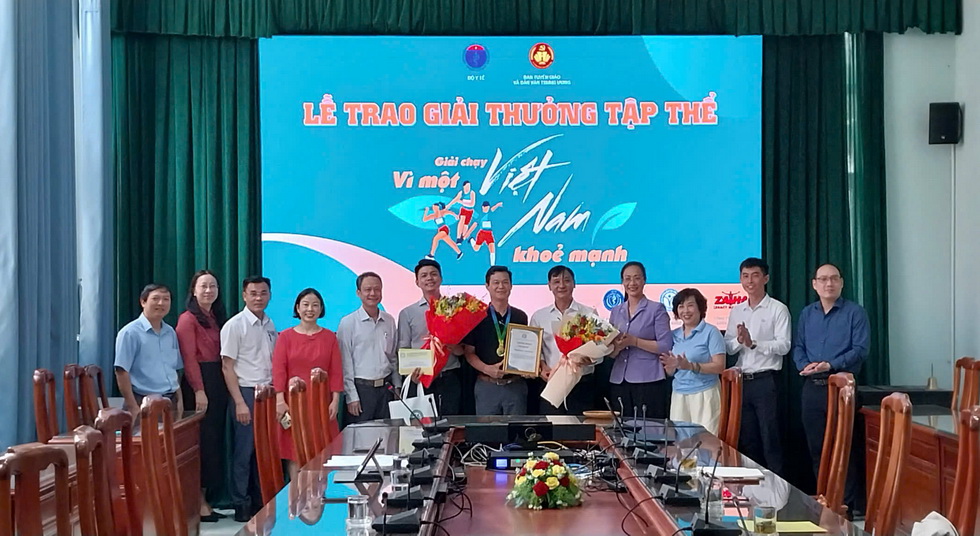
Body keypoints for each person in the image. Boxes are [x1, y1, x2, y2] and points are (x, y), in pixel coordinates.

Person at [794, 263, 869, 513]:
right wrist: (804, 365)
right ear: (814, 284)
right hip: (812, 388)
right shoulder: (807, 314)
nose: (829, 284)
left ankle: (846, 505)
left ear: (842, 283)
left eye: (834, 279)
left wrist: (831, 364)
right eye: (823, 279)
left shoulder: (855, 313)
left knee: (844, 447)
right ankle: (825, 500)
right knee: (818, 448)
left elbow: (860, 349)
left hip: (842, 390)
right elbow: (798, 347)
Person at [724, 257, 791, 475]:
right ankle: (752, 488)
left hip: (766, 381)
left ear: (766, 278)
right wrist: (740, 340)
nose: (750, 281)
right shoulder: (737, 310)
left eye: (755, 275)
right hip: (742, 383)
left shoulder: (778, 309)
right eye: (745, 276)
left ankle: (778, 488)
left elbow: (784, 346)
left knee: (770, 438)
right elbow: (729, 347)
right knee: (748, 439)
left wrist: (753, 343)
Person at [221, 276, 277, 522]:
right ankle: (241, 503)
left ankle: (258, 500)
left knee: (263, 451)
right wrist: (239, 402)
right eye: (253, 293)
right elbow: (227, 367)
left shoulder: (270, 324)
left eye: (263, 293)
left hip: (268, 393)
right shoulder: (234, 325)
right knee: (243, 452)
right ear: (244, 295)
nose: (258, 298)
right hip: (245, 392)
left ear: (269, 295)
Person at [272, 288, 343, 480]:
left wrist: (335, 400)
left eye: (315, 305)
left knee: (322, 450)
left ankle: (320, 494)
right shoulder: (285, 337)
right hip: (293, 404)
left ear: (321, 309)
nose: (310, 309)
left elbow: (336, 371)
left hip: (321, 404)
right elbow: (279, 370)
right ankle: (297, 494)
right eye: (305, 305)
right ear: (297, 308)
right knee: (295, 451)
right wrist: (280, 400)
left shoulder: (330, 337)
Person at [175, 270, 229, 522]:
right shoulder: (187, 319)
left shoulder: (215, 318)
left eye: (213, 286)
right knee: (201, 442)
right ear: (193, 291)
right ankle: (197, 501)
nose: (209, 291)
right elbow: (188, 358)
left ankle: (204, 498)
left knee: (213, 443)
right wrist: (199, 389)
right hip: (199, 383)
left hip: (217, 382)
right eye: (203, 286)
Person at [397, 259, 464, 415]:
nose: (429, 278)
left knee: (451, 425)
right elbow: (403, 348)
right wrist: (411, 374)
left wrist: (453, 347)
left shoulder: (455, 308)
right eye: (424, 275)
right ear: (417, 282)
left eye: (433, 274)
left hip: (449, 377)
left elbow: (463, 350)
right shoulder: (408, 313)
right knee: (423, 425)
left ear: (440, 278)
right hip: (421, 379)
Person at [607, 261, 673, 418]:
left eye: (637, 278)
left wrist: (635, 341)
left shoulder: (656, 309)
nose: (632, 283)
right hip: (619, 381)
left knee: (648, 428)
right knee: (621, 428)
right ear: (622, 282)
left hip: (648, 380)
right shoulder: (616, 311)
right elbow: (609, 351)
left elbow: (665, 345)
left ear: (644, 280)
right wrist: (616, 347)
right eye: (627, 278)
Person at [529, 265, 598, 414]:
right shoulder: (539, 316)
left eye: (566, 280)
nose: (561, 285)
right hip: (551, 382)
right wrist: (542, 367)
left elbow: (599, 347)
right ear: (549, 285)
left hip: (582, 384)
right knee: (552, 426)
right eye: (556, 281)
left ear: (574, 284)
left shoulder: (588, 313)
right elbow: (535, 351)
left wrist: (588, 359)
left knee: (581, 427)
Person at [463, 266, 530, 415]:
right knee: (488, 429)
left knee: (516, 429)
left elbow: (526, 351)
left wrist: (527, 367)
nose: (501, 286)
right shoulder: (477, 316)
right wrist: (487, 369)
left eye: (505, 282)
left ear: (511, 286)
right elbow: (469, 352)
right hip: (487, 386)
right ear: (487, 286)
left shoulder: (520, 316)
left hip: (515, 386)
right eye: (496, 282)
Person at [660, 288, 726, 434]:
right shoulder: (673, 335)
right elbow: (672, 371)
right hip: (679, 395)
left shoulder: (711, 332)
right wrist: (671, 368)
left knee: (706, 441)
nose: (686, 311)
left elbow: (720, 366)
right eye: (681, 306)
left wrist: (691, 366)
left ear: (700, 308)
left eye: (690, 305)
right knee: (681, 442)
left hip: (705, 394)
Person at [338, 272, 399, 423]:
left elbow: (393, 358)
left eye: (377, 289)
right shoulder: (348, 323)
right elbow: (345, 363)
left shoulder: (389, 321)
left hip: (386, 390)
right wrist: (351, 396)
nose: (373, 293)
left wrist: (397, 387)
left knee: (387, 434)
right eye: (368, 289)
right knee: (361, 436)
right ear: (358, 293)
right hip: (362, 391)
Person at [115, 283, 184, 416]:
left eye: (166, 299)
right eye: (155, 298)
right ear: (143, 302)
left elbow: (174, 369)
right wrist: (132, 406)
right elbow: (121, 371)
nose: (161, 303)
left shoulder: (170, 332)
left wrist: (180, 400)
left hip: (171, 401)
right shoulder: (130, 333)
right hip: (143, 402)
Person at [466, 200, 503, 265]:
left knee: (492, 248)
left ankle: (492, 265)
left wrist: (498, 204)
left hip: (489, 233)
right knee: (476, 249)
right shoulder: (480, 216)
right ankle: (471, 240)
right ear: (483, 207)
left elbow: (493, 208)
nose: (487, 209)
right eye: (486, 207)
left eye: (488, 207)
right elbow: (474, 225)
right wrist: (467, 233)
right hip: (482, 233)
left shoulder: (490, 213)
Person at [448, 180, 477, 244]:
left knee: (465, 225)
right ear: (464, 186)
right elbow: (455, 199)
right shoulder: (461, 193)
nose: (468, 187)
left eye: (469, 186)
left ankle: (463, 237)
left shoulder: (472, 193)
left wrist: (461, 202)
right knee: (461, 220)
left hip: (470, 211)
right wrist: (449, 205)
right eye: (467, 186)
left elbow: (472, 204)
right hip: (464, 210)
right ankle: (458, 237)